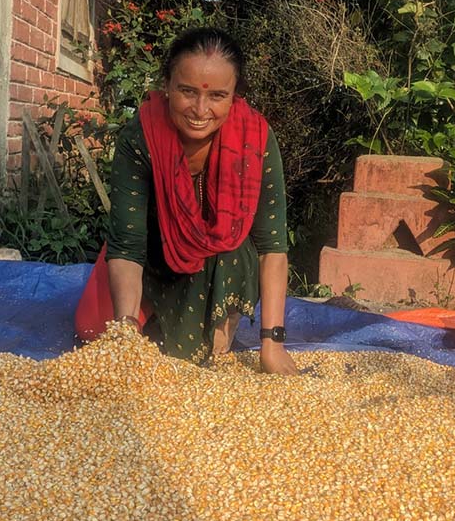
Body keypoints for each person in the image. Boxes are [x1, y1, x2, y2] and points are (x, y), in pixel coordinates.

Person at [75, 27, 297, 375]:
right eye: (187, 92)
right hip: (153, 256)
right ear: (167, 85)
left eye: (217, 96)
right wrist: (125, 334)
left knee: (233, 259)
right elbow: (128, 245)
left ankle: (218, 330)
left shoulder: (255, 138)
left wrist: (273, 342)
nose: (200, 109)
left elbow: (272, 245)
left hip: (223, 261)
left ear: (235, 95)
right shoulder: (141, 138)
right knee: (94, 330)